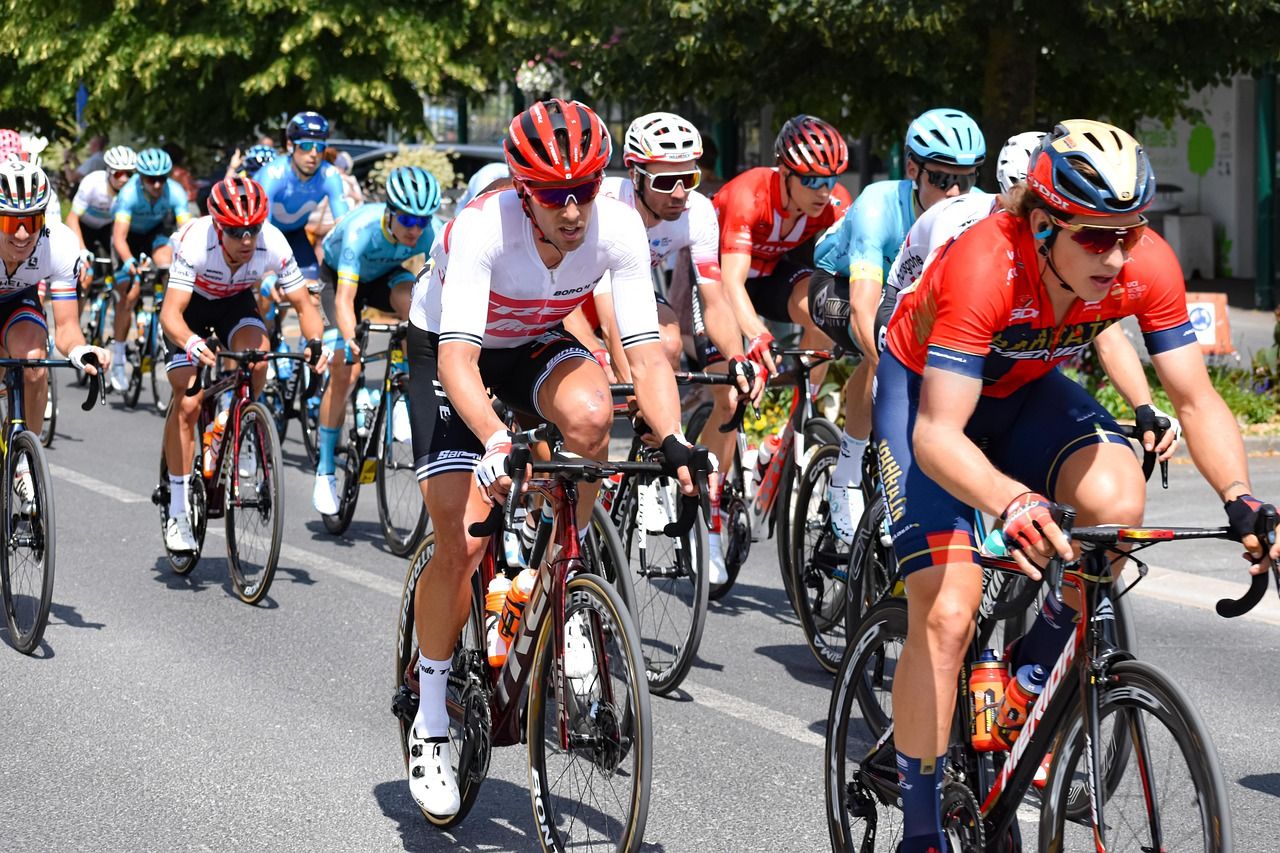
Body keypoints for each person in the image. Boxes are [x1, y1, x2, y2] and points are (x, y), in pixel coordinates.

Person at [876, 120, 1280, 853]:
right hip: (924, 400)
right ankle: (922, 824)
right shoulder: (984, 263)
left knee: (1118, 500)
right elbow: (937, 435)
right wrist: (1012, 499)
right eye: (1095, 236)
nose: (1117, 255)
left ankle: (1033, 665)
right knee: (948, 612)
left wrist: (1239, 496)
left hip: (1023, 392)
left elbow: (1195, 399)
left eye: (1131, 232)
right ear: (1041, 224)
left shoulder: (1142, 264)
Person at [402, 98, 696, 817]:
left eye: (585, 190)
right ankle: (431, 711)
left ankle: (563, 574)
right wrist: (496, 440)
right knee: (462, 543)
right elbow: (460, 363)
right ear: (522, 190)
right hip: (452, 351)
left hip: (533, 341)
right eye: (553, 194)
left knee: (593, 417)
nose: (572, 210)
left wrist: (676, 439)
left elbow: (645, 355)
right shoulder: (483, 228)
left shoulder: (618, 226)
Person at [563, 111, 761, 582]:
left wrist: (737, 357)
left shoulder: (698, 212)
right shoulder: (609, 205)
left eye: (688, 179)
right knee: (599, 391)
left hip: (629, 287)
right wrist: (620, 372)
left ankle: (651, 455)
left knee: (668, 341)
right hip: (573, 295)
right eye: (666, 181)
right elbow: (609, 319)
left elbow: (714, 299)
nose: (679, 193)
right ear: (635, 175)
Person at [814, 108, 986, 544]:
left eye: (966, 179)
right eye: (941, 178)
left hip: (906, 291)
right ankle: (846, 474)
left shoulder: (976, 209)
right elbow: (863, 307)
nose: (954, 192)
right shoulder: (877, 206)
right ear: (912, 169)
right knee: (884, 348)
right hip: (840, 283)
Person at [158, 176, 327, 552]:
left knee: (258, 358)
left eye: (253, 229)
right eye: (236, 232)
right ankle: (178, 509)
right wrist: (191, 342)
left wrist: (316, 345)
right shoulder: (196, 242)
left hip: (234, 303)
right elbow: (170, 315)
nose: (247, 240)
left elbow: (304, 305)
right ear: (219, 227)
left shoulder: (274, 242)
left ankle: (238, 418)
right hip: (190, 308)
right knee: (188, 401)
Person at [311, 166, 439, 515]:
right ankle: (325, 468)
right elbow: (344, 300)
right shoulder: (361, 230)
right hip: (338, 280)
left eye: (422, 222)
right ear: (390, 213)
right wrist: (348, 340)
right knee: (346, 369)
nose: (415, 230)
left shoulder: (428, 233)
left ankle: (403, 391)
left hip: (384, 277)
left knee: (416, 306)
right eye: (408, 220)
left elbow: (441, 289)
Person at [713, 114, 850, 389]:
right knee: (729, 398)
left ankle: (802, 407)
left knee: (826, 312)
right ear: (785, 173)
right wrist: (757, 333)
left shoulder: (833, 202)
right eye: (812, 181)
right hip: (718, 278)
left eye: (831, 180)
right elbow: (731, 283)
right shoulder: (750, 195)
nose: (823, 192)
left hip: (769, 274)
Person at [0, 159, 110, 462]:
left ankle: (25, 461)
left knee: (34, 362)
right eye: (11, 223)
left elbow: (66, 327)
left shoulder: (59, 244)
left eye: (32, 221)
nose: (22, 234)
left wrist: (80, 350)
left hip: (17, 301)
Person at [109, 147, 192, 391]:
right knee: (129, 293)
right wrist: (129, 263)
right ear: (141, 178)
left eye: (162, 178)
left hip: (155, 234)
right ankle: (118, 358)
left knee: (167, 263)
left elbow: (187, 231)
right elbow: (119, 238)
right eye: (150, 179)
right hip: (128, 239)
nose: (157, 184)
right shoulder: (128, 193)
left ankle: (163, 311)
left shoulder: (175, 191)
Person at [255, 111, 350, 282]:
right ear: (290, 145)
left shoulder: (329, 175)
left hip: (295, 233)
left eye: (319, 147)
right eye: (306, 146)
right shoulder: (273, 174)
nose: (313, 153)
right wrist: (268, 272)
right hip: (260, 233)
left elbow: (343, 224)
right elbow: (262, 228)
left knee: (312, 282)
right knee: (268, 285)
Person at [67, 145, 136, 262]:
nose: (124, 179)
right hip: (84, 226)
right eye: (118, 174)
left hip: (108, 227)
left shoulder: (133, 188)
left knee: (120, 262)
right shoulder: (92, 182)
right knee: (79, 263)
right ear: (108, 171)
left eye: (129, 174)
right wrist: (82, 250)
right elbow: (72, 219)